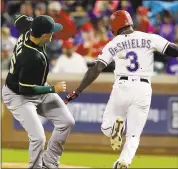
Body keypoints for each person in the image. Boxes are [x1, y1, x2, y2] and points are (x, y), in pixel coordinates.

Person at [64, 10, 178, 168]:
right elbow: (173, 50)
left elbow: (96, 69)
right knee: (134, 135)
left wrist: (78, 90)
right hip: (143, 88)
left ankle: (117, 127)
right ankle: (123, 161)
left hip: (123, 86)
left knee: (106, 128)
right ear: (130, 23)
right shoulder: (149, 37)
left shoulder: (114, 43)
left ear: (114, 28)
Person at [2, 15, 75, 168]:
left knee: (67, 121)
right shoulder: (31, 57)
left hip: (36, 87)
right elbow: (25, 89)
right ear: (44, 35)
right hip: (18, 95)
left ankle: (49, 162)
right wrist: (52, 89)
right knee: (38, 138)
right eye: (51, 32)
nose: (53, 34)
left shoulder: (30, 28)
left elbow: (19, 19)